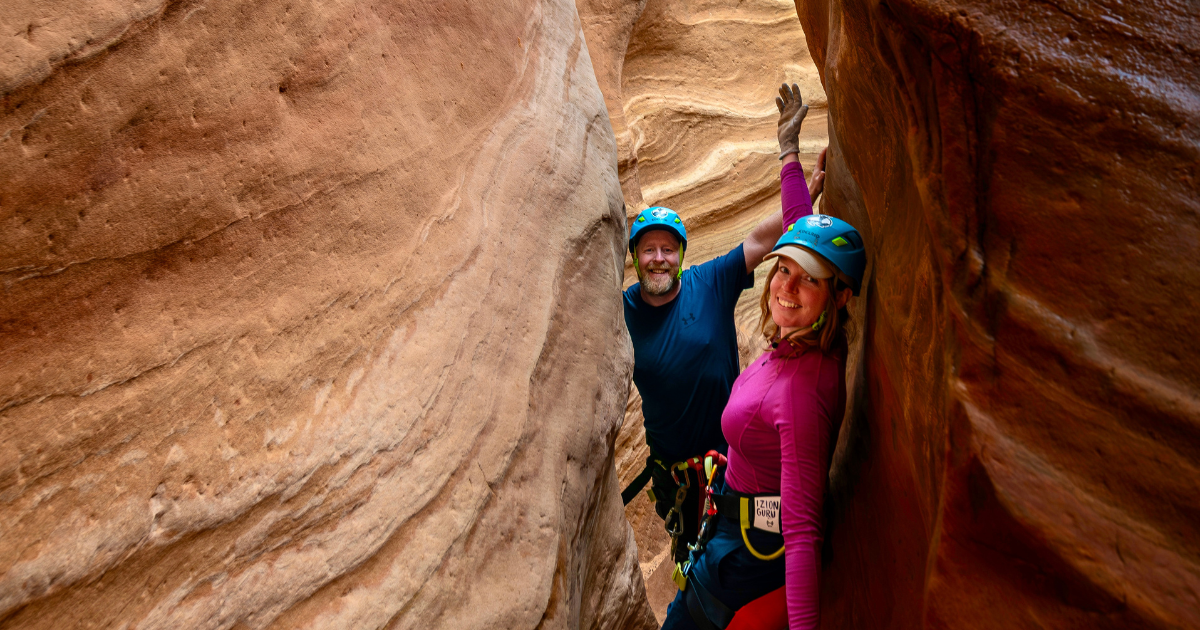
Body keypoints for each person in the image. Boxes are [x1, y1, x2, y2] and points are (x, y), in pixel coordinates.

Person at [658, 109, 868, 629]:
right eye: (783, 270)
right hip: (727, 526)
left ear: (839, 297)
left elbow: (802, 531)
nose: (786, 287)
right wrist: (789, 156)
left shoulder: (801, 393)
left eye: (808, 281)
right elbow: (802, 231)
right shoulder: (805, 342)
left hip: (742, 561)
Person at [621, 83, 827, 576]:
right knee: (694, 555)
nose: (658, 258)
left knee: (743, 558)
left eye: (667, 249)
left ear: (681, 255)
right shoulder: (621, 311)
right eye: (648, 249)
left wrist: (801, 182)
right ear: (634, 258)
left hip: (736, 461)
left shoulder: (708, 281)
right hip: (677, 473)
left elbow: (761, 240)